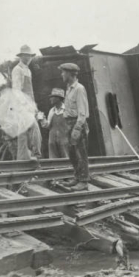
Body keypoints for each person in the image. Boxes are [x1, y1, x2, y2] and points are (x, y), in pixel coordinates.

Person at [59, 63, 90, 191]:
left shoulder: (79, 89)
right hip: (69, 123)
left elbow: (82, 112)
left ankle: (84, 181)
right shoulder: (69, 88)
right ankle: (77, 177)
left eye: (63, 72)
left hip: (78, 123)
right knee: (72, 153)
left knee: (80, 153)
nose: (62, 75)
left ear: (70, 74)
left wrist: (77, 129)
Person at [11, 45, 42, 160]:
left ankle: (24, 160)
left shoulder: (28, 70)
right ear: (21, 56)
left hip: (29, 106)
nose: (29, 58)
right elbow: (16, 91)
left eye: (30, 56)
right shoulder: (17, 70)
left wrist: (34, 106)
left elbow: (31, 92)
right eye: (26, 56)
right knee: (33, 130)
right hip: (22, 107)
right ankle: (35, 156)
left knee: (24, 135)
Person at [39, 88, 70, 159]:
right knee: (54, 160)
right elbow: (47, 125)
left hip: (64, 139)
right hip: (52, 140)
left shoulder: (67, 109)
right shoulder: (52, 111)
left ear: (58, 98)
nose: (50, 99)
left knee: (66, 158)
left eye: (52, 97)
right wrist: (42, 119)